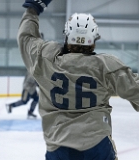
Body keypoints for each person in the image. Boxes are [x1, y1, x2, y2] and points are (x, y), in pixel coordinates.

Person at [17, 0, 139, 159]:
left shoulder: (46, 58)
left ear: (67, 35)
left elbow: (26, 37)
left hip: (58, 145)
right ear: (93, 40)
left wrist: (33, 9)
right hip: (97, 144)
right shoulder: (106, 66)